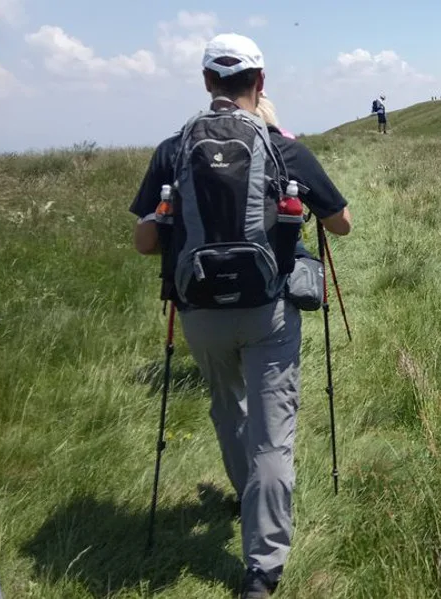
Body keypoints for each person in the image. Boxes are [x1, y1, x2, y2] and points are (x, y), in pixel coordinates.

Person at [129, 32, 352, 599]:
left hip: (199, 310)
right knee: (273, 437)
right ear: (262, 81)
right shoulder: (284, 150)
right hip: (267, 309)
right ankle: (263, 568)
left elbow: (145, 242)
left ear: (207, 82)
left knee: (228, 408)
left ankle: (242, 492)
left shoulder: (173, 149)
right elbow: (342, 223)